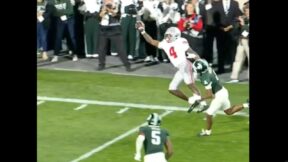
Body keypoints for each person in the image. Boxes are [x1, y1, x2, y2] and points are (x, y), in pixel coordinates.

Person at [135, 21, 203, 104]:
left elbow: (191, 52)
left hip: (186, 64)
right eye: (167, 35)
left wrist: (199, 61)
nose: (167, 37)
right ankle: (191, 101)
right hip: (180, 67)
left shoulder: (181, 41)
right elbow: (151, 41)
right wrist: (143, 31)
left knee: (188, 82)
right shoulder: (164, 43)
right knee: (172, 88)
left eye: (170, 35)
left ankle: (200, 100)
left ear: (176, 36)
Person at [189, 59, 249, 136]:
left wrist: (199, 100)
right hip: (223, 91)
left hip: (219, 96)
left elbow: (210, 95)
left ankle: (207, 132)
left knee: (208, 114)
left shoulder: (204, 78)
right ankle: (247, 105)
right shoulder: (209, 69)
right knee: (228, 111)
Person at [97, 0, 131, 71]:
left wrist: (110, 10)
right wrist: (104, 11)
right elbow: (99, 16)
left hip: (114, 29)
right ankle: (101, 64)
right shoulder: (102, 5)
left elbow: (117, 16)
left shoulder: (117, 4)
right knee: (101, 48)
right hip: (104, 29)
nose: (106, 1)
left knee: (120, 49)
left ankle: (127, 64)